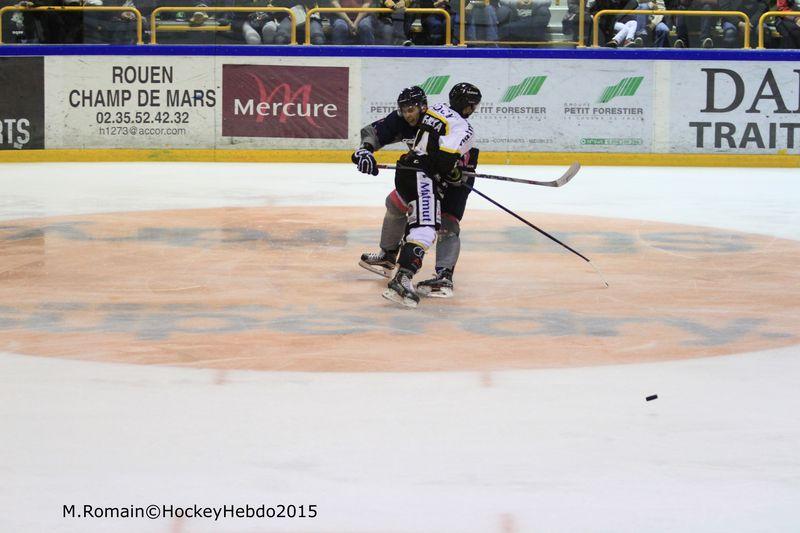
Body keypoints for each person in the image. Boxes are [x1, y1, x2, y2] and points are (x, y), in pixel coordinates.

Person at [381, 82, 481, 308]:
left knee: (420, 224)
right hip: (421, 175)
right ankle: (402, 279)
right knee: (426, 229)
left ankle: (400, 271)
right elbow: (445, 160)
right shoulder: (463, 128)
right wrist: (454, 173)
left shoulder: (437, 109)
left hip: (406, 171)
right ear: (469, 106)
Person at [356, 86, 429, 278]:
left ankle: (444, 274)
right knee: (395, 204)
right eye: (404, 110)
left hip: (440, 179)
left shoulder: (437, 121)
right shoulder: (400, 120)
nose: (407, 115)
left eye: (411, 109)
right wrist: (365, 149)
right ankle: (388, 256)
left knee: (442, 223)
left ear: (423, 107)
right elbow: (375, 131)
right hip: (420, 177)